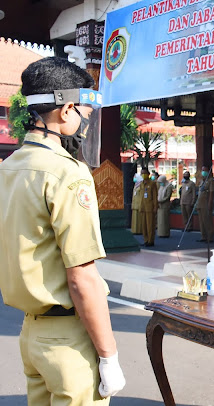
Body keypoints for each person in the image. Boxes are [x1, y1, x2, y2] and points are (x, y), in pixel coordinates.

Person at [0, 57, 125, 404]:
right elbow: (81, 277)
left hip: (30, 333)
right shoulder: (66, 173)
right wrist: (109, 355)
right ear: (66, 109)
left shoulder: (9, 168)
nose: (85, 120)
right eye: (83, 111)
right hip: (67, 338)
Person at [139, 167, 158, 247]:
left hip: (150, 207)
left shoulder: (152, 183)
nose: (143, 175)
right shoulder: (141, 184)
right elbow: (140, 196)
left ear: (148, 174)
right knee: (144, 226)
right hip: (143, 207)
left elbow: (154, 196)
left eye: (145, 173)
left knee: (150, 225)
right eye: (142, 173)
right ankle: (146, 240)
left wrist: (155, 207)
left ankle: (151, 240)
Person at [196, 165, 214, 242]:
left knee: (207, 221)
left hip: (206, 203)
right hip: (200, 202)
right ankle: (203, 236)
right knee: (201, 221)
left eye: (205, 170)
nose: (203, 172)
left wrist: (210, 203)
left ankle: (210, 237)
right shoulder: (202, 181)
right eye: (202, 170)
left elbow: (211, 193)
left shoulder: (210, 181)